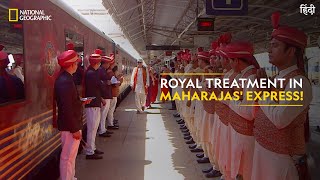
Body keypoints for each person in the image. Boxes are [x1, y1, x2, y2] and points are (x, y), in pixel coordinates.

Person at [251, 12, 312, 180]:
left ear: (291, 51)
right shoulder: (279, 78)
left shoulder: (299, 82)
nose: (269, 50)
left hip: (282, 158)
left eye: (275, 45)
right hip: (266, 151)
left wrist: (262, 92)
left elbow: (280, 118)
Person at [54, 50, 91, 180]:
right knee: (67, 157)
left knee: (71, 156)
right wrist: (74, 129)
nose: (77, 65)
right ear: (71, 65)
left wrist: (80, 101)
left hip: (71, 125)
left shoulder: (66, 78)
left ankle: (71, 177)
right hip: (70, 126)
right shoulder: (65, 81)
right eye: (76, 63)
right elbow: (66, 108)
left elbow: (69, 102)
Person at [83, 53, 104, 160]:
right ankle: (90, 151)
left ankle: (93, 148)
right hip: (92, 105)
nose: (100, 64)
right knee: (92, 129)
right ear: (96, 63)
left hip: (94, 104)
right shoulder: (92, 73)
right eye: (99, 62)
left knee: (94, 128)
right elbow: (99, 85)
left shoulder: (92, 72)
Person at [97, 56, 114, 137]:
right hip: (105, 95)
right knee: (103, 114)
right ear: (105, 63)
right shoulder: (101, 71)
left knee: (104, 113)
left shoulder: (102, 70)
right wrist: (107, 83)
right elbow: (99, 82)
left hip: (106, 94)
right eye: (108, 63)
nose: (109, 65)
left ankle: (103, 129)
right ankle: (101, 130)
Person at [107, 64, 122, 129]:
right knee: (111, 110)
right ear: (115, 71)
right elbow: (115, 85)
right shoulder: (112, 75)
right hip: (113, 95)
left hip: (113, 95)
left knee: (111, 109)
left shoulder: (112, 75)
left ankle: (111, 122)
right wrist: (119, 80)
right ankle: (110, 124)